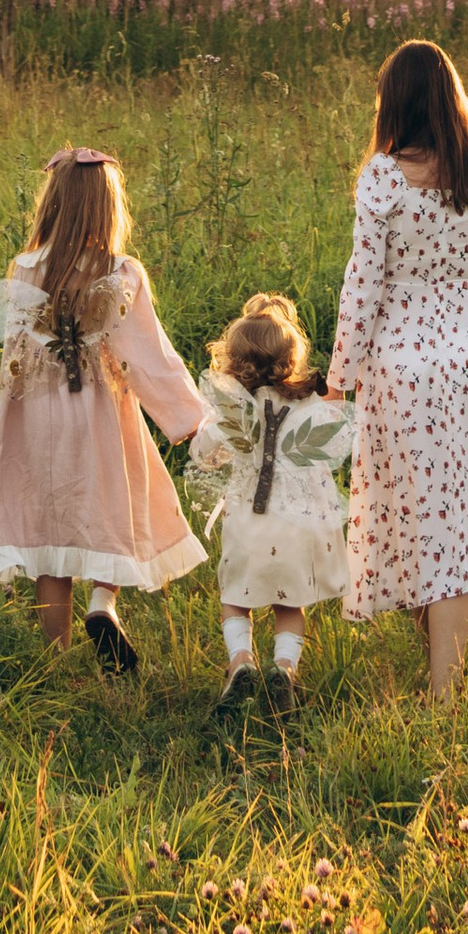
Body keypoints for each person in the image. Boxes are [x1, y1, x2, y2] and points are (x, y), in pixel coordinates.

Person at [327, 35, 468, 697]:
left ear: (393, 104)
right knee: (461, 520)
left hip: (400, 367)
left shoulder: (384, 177)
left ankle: (443, 688)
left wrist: (339, 378)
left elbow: (361, 288)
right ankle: (443, 676)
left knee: (422, 514)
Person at [0, 144, 207, 668]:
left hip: (37, 415)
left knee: (48, 524)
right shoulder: (120, 271)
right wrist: (191, 420)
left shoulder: (24, 267)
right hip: (99, 408)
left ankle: (54, 660)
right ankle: (103, 602)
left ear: (52, 203)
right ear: (109, 208)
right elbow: (150, 357)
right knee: (117, 506)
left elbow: (15, 352)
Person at [185, 289, 352, 718]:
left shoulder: (232, 409)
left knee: (235, 596)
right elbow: (339, 438)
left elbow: (204, 454)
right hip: (296, 524)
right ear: (290, 360)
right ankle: (284, 668)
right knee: (288, 603)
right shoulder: (309, 401)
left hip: (247, 523)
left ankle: (241, 661)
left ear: (231, 363)